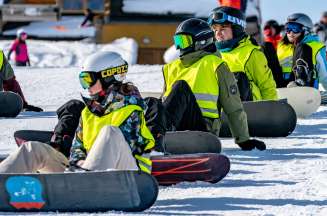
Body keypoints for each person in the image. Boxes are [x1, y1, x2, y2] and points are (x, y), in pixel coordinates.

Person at [0, 51, 155, 173]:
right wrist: (78, 162)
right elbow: (77, 148)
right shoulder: (89, 112)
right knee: (33, 149)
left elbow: (128, 150)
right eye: (83, 80)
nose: (86, 86)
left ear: (108, 77)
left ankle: (86, 179)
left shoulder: (132, 110)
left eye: (88, 79)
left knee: (110, 132)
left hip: (130, 176)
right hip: (86, 172)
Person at [145, 18, 266, 151]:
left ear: (201, 41)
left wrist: (243, 140)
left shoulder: (215, 64)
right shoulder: (172, 67)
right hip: (174, 126)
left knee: (181, 87)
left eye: (184, 41)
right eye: (178, 42)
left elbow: (234, 107)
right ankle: (141, 138)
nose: (180, 47)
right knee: (150, 102)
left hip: (203, 129)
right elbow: (167, 103)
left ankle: (154, 143)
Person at [208, 6, 277, 101]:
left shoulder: (251, 53)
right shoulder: (213, 55)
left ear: (237, 28)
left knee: (237, 78)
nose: (218, 34)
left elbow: (267, 86)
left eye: (223, 28)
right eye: (215, 29)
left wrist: (271, 111)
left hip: (251, 110)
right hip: (222, 112)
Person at [277, 13, 327, 89]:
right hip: (282, 87)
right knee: (267, 46)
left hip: (305, 89)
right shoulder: (282, 46)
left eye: (295, 28)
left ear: (306, 30)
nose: (291, 32)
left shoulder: (315, 47)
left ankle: (300, 83)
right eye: (288, 28)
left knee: (302, 46)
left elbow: (324, 77)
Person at [261, 20, 285, 87]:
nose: (267, 31)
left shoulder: (282, 42)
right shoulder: (264, 45)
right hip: (272, 75)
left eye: (269, 29)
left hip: (283, 73)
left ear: (276, 29)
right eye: (266, 30)